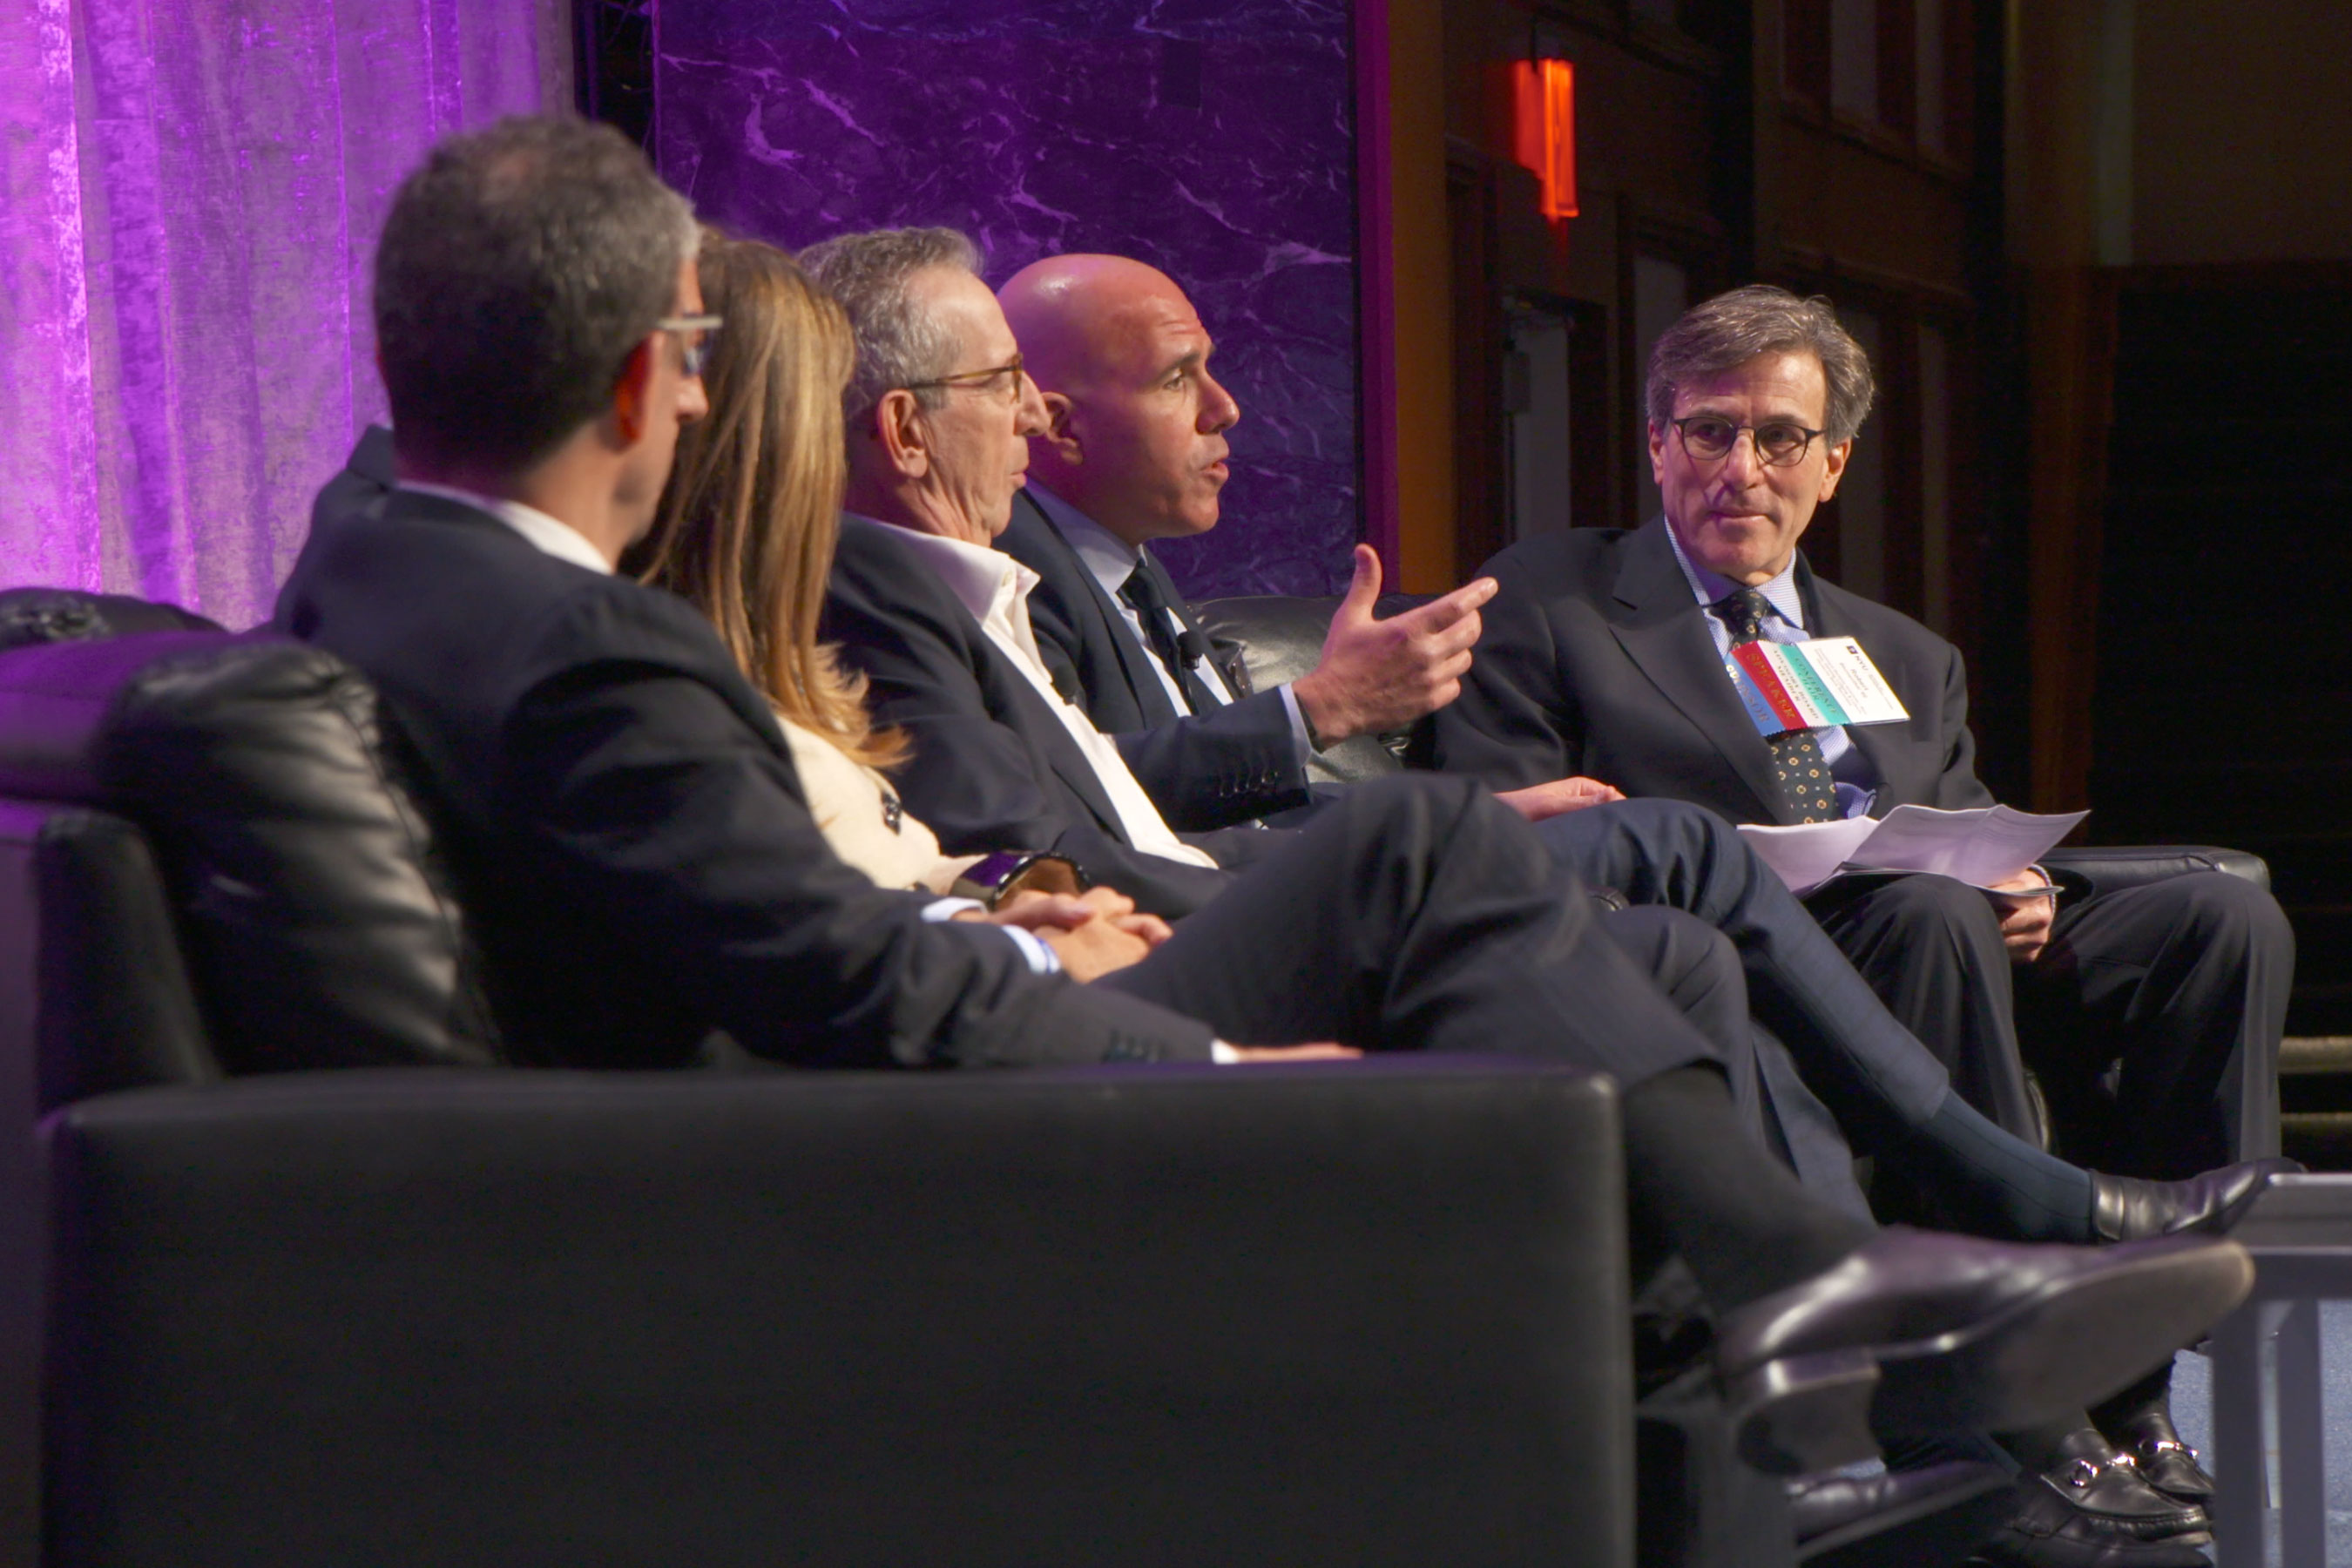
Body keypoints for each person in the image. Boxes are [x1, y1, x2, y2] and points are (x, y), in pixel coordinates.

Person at [272, 115, 2252, 1527]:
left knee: (1603, 910)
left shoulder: (382, 563)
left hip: (885, 1055)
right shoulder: (588, 653)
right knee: (1421, 851)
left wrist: (1002, 906)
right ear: (644, 379)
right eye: (701, 375)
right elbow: (845, 982)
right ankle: (1835, 1284)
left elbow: (803, 922)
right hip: (865, 1166)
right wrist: (1204, 1047)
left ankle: (1799, 1336)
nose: (713, 420)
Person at [1424, 282, 2294, 1565]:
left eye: (1780, 437)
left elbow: (1958, 820)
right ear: (1657, 443)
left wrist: (2026, 889)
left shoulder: (1907, 656)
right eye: (1709, 431)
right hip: (1733, 967)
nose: (1741, 468)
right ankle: (2026, 1409)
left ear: (1832, 464)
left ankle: (2144, 1380)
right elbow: (1500, 839)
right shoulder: (1550, 602)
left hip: (1936, 944)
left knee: (2218, 918)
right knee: (1931, 916)